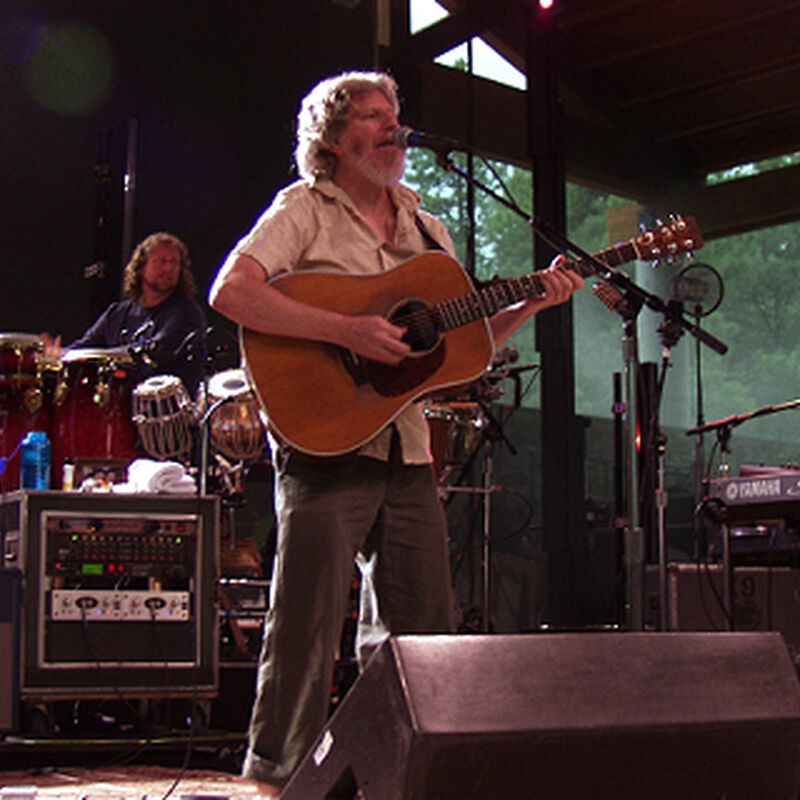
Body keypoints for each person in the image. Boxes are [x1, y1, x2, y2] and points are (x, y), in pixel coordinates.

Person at [208, 70, 584, 795]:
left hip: (406, 445)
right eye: (373, 116)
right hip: (325, 439)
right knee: (305, 626)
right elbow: (234, 290)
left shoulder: (425, 228)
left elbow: (466, 345)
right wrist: (348, 328)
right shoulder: (305, 209)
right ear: (334, 137)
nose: (392, 127)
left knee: (421, 629)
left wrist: (534, 300)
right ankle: (276, 776)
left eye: (395, 114)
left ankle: (401, 771)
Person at [42, 231, 207, 396]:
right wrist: (60, 354)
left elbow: (155, 351)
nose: (169, 268)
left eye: (175, 263)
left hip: (166, 413)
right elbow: (86, 346)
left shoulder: (186, 312)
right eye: (161, 261)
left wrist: (107, 356)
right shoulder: (117, 313)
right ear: (141, 267)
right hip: (118, 404)